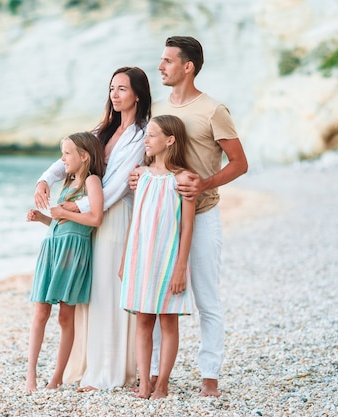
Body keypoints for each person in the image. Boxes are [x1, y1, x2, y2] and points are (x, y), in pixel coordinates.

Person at [130, 36, 248, 397]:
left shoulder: (213, 110)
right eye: (161, 60)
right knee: (152, 295)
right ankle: (148, 377)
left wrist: (204, 185)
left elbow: (240, 163)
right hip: (160, 221)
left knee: (206, 298)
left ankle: (209, 376)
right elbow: (154, 154)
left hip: (204, 213)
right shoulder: (161, 108)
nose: (161, 67)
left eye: (167, 61)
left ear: (188, 67)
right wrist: (139, 172)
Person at [34, 66, 152, 391]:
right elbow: (70, 157)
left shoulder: (141, 135)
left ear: (138, 95)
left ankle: (108, 373)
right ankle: (87, 365)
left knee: (106, 294)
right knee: (89, 295)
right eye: (112, 88)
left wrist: (74, 207)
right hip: (91, 219)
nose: (114, 94)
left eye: (123, 89)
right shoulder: (103, 129)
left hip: (114, 217)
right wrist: (45, 179)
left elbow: (114, 187)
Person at [118, 115, 195, 399]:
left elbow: (187, 228)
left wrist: (180, 269)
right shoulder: (142, 176)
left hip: (168, 261)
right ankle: (145, 382)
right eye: (146, 135)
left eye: (151, 136)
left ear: (170, 140)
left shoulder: (184, 179)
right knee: (143, 321)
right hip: (142, 259)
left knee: (168, 321)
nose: (146, 140)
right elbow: (135, 221)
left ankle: (162, 382)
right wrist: (126, 259)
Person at [25, 131, 105, 392]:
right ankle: (31, 376)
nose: (62, 159)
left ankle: (57, 376)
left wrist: (62, 213)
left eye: (67, 153)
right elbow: (60, 223)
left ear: (84, 156)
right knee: (40, 313)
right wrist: (44, 219)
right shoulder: (67, 183)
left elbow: (95, 219)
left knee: (65, 318)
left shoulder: (92, 181)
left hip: (72, 255)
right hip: (51, 249)